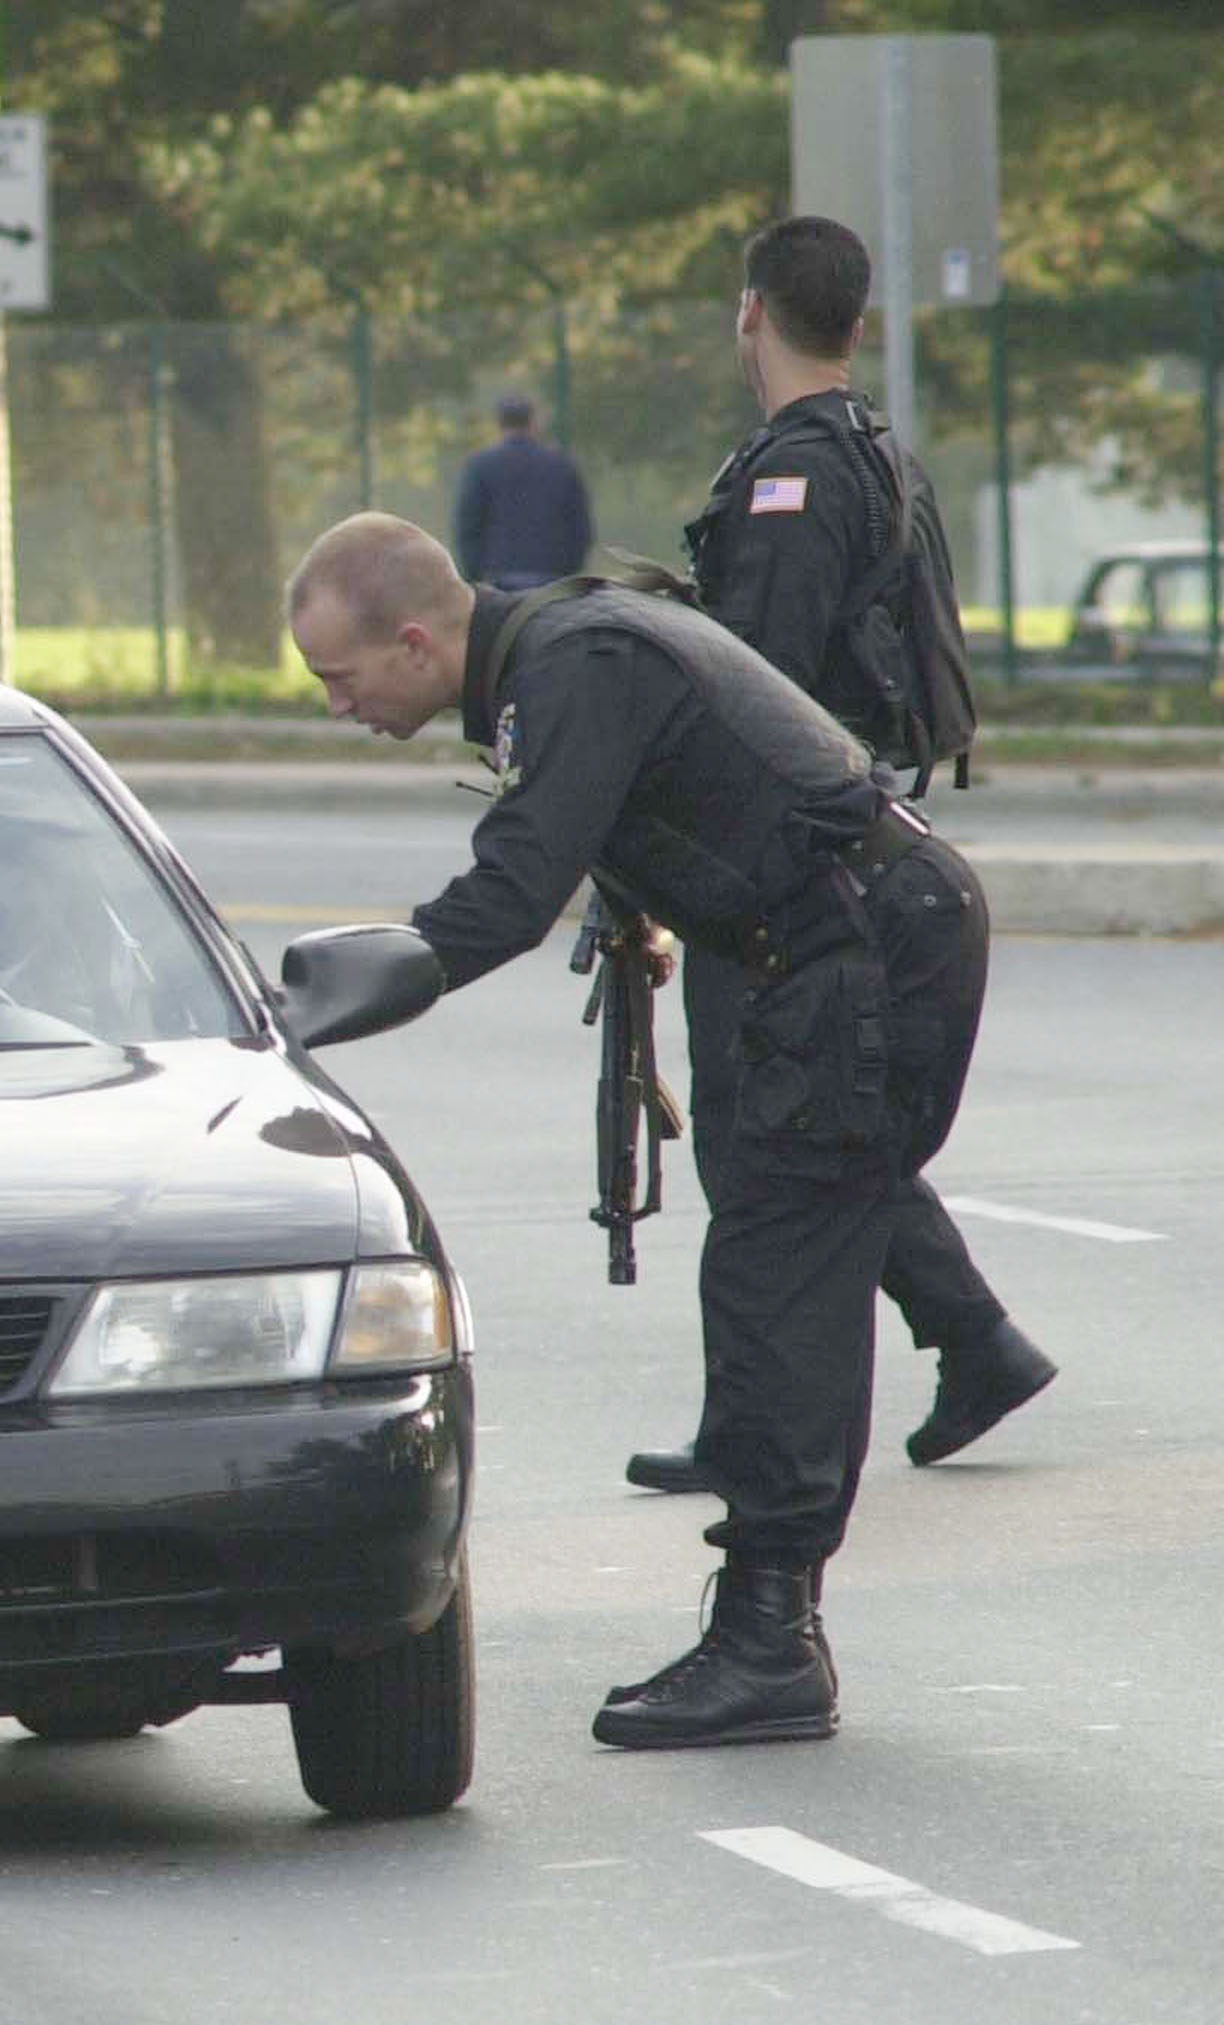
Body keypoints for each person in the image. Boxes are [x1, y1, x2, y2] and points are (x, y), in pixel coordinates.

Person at [287, 511, 990, 1749]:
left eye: (340, 680)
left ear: (411, 640)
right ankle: (777, 1630)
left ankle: (772, 1643)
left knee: (781, 1277)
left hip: (866, 954)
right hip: (845, 950)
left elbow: (509, 889)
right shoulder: (560, 649)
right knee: (789, 1261)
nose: (337, 707)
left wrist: (306, 1011)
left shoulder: (574, 664)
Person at [622, 215, 1056, 1498]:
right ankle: (968, 1344)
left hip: (788, 855)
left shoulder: (790, 479)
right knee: (811, 1137)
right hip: (856, 832)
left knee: (766, 1151)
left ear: (749, 309)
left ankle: (809, 1407)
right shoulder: (875, 448)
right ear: (855, 320)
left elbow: (742, 687)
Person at [451, 391, 592, 590]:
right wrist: (569, 572)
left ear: (500, 423)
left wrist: (475, 575)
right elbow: (580, 528)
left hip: (498, 580)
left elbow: (468, 526)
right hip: (552, 579)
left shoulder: (480, 465)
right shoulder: (561, 465)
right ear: (533, 422)